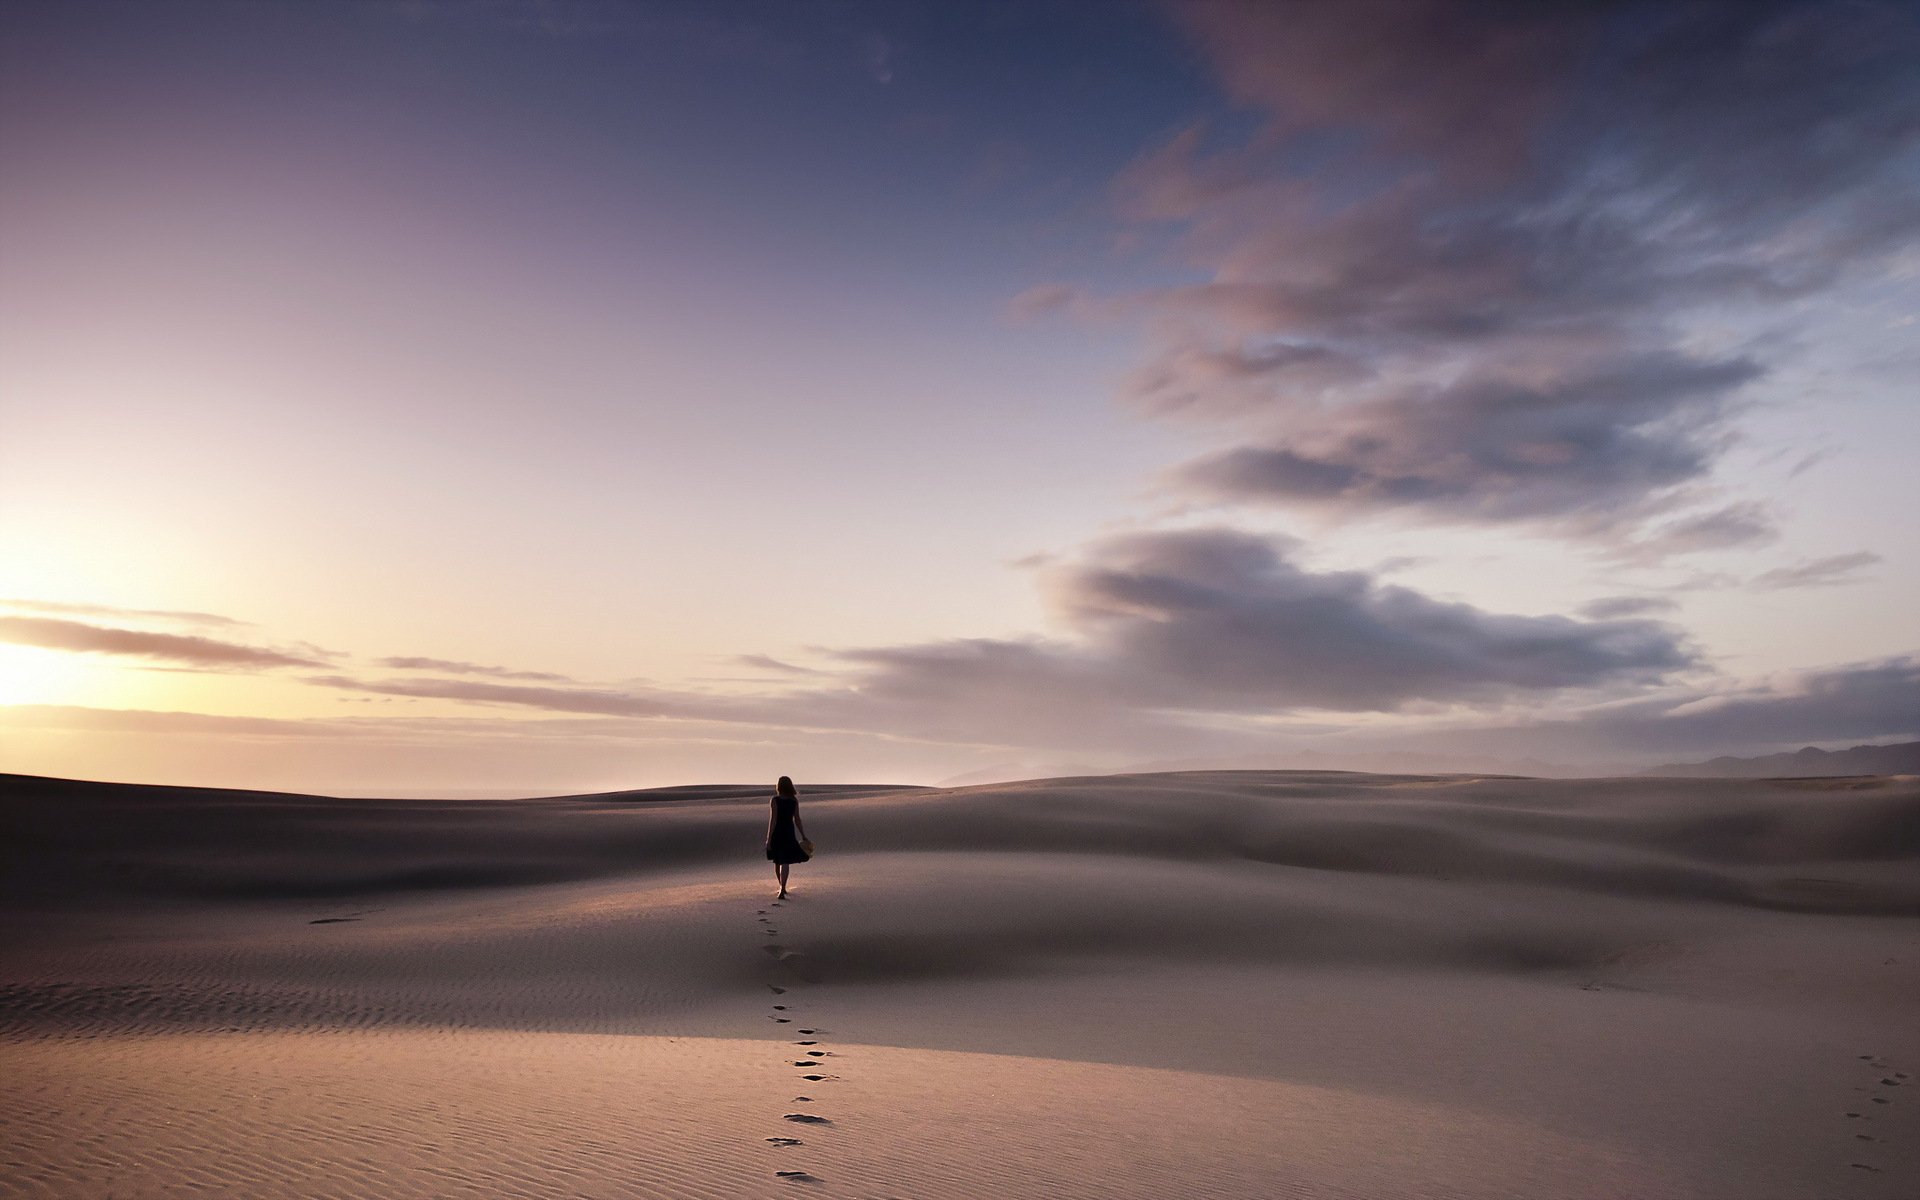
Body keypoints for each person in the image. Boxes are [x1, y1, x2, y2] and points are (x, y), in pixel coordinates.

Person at [765, 775, 811, 898]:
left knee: (778, 861)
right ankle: (783, 888)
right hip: (788, 832)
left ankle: (781, 887)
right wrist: (803, 835)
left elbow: (773, 820)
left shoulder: (775, 800)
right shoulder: (793, 800)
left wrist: (769, 839)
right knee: (785, 861)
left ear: (779, 786)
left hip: (778, 833)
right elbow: (797, 819)